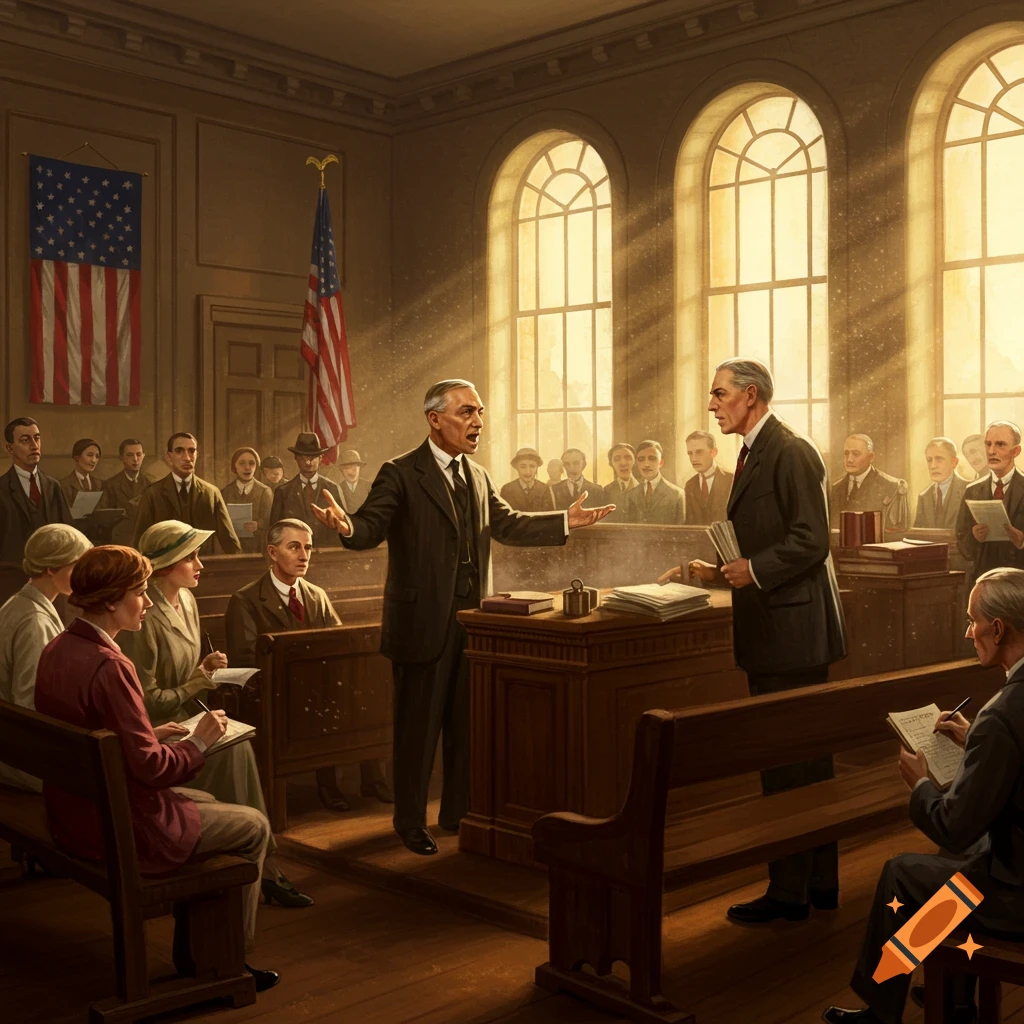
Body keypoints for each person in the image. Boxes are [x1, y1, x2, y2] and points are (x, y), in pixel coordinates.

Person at [310, 379, 613, 856]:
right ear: (435, 419)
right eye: (467, 412)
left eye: (480, 412)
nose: (478, 422)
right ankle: (409, 821)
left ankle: (456, 814)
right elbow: (369, 526)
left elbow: (507, 523)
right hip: (421, 625)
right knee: (417, 730)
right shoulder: (400, 472)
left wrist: (563, 521)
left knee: (465, 726)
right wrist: (347, 527)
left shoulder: (478, 475)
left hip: (473, 622)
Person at [33, 545, 278, 990]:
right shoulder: (112, 665)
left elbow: (102, 735)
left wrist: (152, 732)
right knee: (254, 825)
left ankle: (201, 952)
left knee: (205, 800)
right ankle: (230, 960)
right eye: (140, 592)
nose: (146, 601)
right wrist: (200, 742)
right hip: (118, 830)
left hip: (72, 815)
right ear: (111, 600)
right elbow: (151, 771)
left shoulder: (58, 648)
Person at [676, 358, 847, 924]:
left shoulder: (789, 449)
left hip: (790, 631)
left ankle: (790, 893)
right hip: (781, 625)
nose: (711, 404)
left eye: (719, 394)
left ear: (751, 395)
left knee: (789, 764)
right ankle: (816, 885)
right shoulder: (756, 450)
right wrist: (721, 568)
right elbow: (772, 539)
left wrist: (754, 570)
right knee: (801, 761)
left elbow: (813, 540)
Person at [823, 567, 1024, 1024]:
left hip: (1017, 897)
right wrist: (975, 739)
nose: (968, 631)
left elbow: (954, 827)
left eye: (973, 621)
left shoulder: (1003, 713)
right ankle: (954, 998)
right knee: (963, 862)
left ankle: (879, 1010)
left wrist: (920, 785)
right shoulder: (1006, 711)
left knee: (902, 873)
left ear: (998, 628)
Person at [118, 521, 313, 908]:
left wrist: (203, 667)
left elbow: (187, 671)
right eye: (190, 557)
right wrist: (200, 682)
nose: (199, 564)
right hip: (163, 727)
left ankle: (251, 857)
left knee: (237, 741)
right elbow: (147, 700)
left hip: (187, 714)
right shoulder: (145, 614)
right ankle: (259, 860)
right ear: (166, 565)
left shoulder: (187, 600)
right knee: (234, 749)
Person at [225, 518, 392, 813]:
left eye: (308, 548)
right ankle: (328, 784)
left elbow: (337, 641)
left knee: (365, 692)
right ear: (273, 553)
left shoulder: (316, 595)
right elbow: (246, 659)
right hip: (277, 690)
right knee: (325, 702)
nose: (304, 555)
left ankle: (373, 777)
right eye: (294, 547)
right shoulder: (246, 600)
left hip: (319, 683)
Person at [0, 524, 92, 790]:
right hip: (22, 756)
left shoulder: (21, 603)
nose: (82, 577)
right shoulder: (34, 621)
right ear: (51, 569)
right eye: (76, 567)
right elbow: (30, 703)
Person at [133, 432, 241, 555]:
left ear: (197, 455)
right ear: (169, 457)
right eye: (179, 451)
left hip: (202, 566)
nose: (187, 458)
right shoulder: (152, 494)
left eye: (191, 451)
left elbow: (229, 540)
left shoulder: (212, 493)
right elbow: (140, 541)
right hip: (167, 569)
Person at [955, 420, 1024, 586]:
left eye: (1000, 445)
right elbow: (961, 542)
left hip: (1019, 585)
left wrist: (1022, 542)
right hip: (982, 582)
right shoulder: (972, 491)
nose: (991, 451)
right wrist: (974, 537)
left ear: (1016, 451)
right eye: (988, 444)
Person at [0, 417, 74, 563]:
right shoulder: (2, 488)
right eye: (25, 440)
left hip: (51, 573)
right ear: (10, 448)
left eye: (37, 438)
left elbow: (68, 532)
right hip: (12, 576)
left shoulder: (53, 486)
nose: (34, 446)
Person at [269, 432, 345, 548]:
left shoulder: (333, 489)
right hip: (294, 555)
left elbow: (344, 527)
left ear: (320, 458)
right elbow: (274, 533)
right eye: (303, 458)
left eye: (312, 458)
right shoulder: (283, 492)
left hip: (327, 554)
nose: (308, 462)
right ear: (296, 459)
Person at [829, 434, 908, 532]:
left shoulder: (892, 486)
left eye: (856, 454)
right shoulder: (835, 489)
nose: (849, 459)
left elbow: (896, 533)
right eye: (846, 453)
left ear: (871, 457)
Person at [96, 438, 152, 546]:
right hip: (119, 541)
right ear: (121, 458)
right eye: (130, 455)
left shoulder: (149, 485)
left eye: (139, 454)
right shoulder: (110, 485)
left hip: (144, 540)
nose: (135, 459)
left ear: (143, 456)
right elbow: (103, 519)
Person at [221, 447, 274, 556]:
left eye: (251, 463)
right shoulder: (225, 493)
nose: (247, 468)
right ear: (234, 466)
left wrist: (258, 525)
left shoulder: (265, 492)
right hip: (232, 549)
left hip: (258, 549)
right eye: (241, 463)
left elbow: (272, 521)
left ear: (256, 466)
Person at [618, 440, 685, 525]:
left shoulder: (676, 494)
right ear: (637, 463)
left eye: (652, 458)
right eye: (641, 459)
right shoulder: (631, 495)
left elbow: (681, 532)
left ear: (661, 462)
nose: (646, 464)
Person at [913, 436, 968, 530]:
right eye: (929, 460)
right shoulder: (924, 496)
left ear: (954, 462)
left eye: (939, 459)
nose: (932, 466)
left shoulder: (969, 490)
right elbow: (918, 536)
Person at [683, 429, 733, 525]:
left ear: (713, 452)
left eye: (699, 452)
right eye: (690, 453)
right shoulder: (689, 485)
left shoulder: (731, 480)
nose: (693, 458)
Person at [500, 447, 555, 512]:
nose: (528, 471)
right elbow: (502, 518)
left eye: (532, 466)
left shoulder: (544, 489)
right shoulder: (507, 489)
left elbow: (550, 517)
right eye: (523, 467)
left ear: (537, 468)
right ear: (516, 467)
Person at [59, 438, 105, 512]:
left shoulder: (100, 484)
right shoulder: (63, 485)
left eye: (97, 456)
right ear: (77, 457)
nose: (94, 460)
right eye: (89, 455)